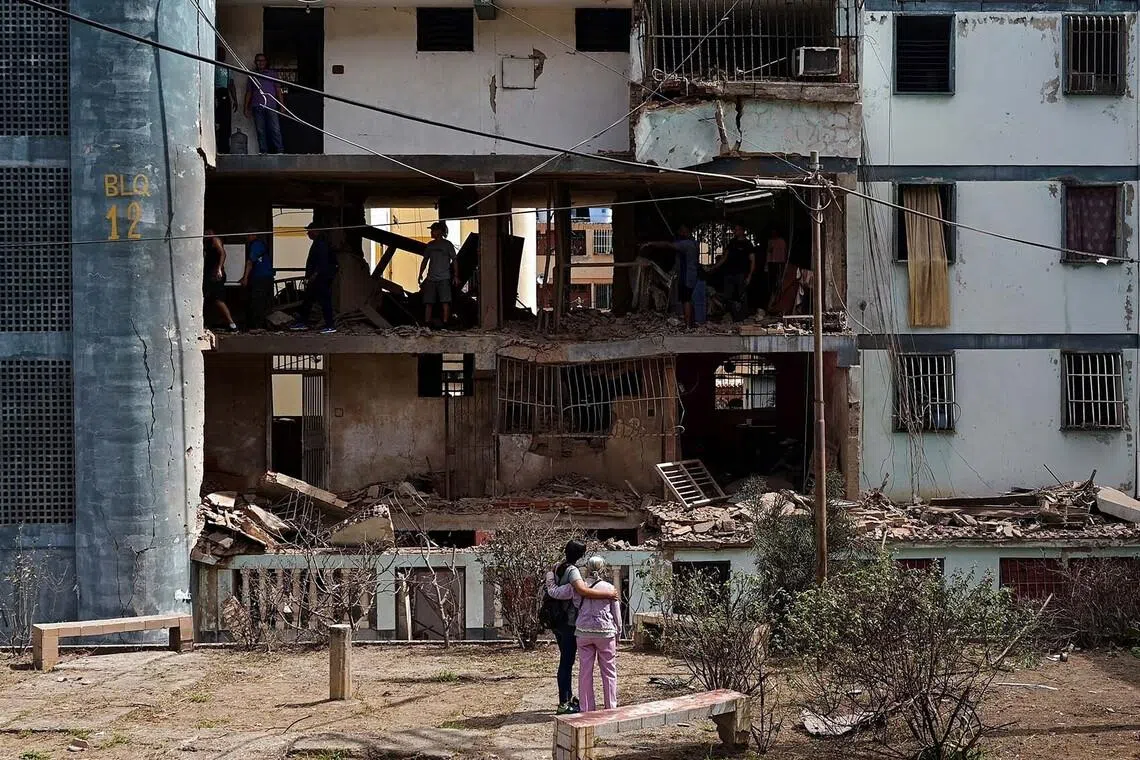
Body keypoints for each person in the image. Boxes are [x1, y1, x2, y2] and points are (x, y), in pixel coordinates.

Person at [546, 540, 620, 715]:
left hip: (575, 628)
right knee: (607, 670)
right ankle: (610, 707)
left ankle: (585, 707)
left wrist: (549, 578)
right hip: (588, 628)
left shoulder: (558, 567)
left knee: (582, 670)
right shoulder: (578, 575)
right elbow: (583, 591)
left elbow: (563, 594)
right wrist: (609, 596)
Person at [290, 222, 339, 334]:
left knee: (324, 301)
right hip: (318, 277)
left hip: (321, 278)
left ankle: (330, 325)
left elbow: (321, 263)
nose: (308, 233)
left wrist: (313, 276)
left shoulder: (321, 244)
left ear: (316, 231)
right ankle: (303, 322)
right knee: (308, 299)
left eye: (309, 231)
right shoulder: (318, 242)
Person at [711, 223, 756, 321]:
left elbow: (752, 260)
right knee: (728, 295)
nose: (735, 232)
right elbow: (724, 257)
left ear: (742, 231)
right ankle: (730, 315)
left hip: (741, 274)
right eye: (734, 230)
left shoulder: (748, 244)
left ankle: (742, 317)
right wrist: (714, 267)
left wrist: (749, 276)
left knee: (741, 296)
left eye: (737, 229)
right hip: (729, 274)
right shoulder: (732, 242)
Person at [418, 221, 459, 327]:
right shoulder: (430, 245)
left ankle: (445, 323)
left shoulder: (448, 245)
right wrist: (420, 274)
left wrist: (456, 276)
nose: (431, 232)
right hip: (431, 278)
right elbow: (425, 260)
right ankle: (427, 323)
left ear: (440, 231)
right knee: (428, 302)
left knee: (445, 301)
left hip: (444, 278)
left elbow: (454, 260)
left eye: (433, 230)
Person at [244, 53, 284, 154]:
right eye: (258, 60)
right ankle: (263, 152)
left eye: (262, 60)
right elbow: (249, 92)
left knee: (275, 129)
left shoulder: (272, 74)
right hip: (257, 105)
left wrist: (282, 104)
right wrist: (246, 107)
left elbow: (278, 90)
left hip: (271, 105)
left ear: (266, 62)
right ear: (255, 62)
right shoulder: (252, 75)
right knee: (260, 130)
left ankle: (280, 151)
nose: (261, 62)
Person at [203, 230, 237, 332]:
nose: (207, 234)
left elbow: (223, 254)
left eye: (209, 232)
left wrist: (219, 268)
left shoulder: (215, 240)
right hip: (209, 275)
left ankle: (232, 324)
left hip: (216, 275)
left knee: (218, 299)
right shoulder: (206, 242)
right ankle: (207, 323)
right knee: (208, 298)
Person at [240, 232, 274, 330]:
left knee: (257, 302)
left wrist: (245, 278)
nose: (247, 237)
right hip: (263, 276)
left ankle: (257, 326)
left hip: (260, 277)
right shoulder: (259, 245)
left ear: (254, 235)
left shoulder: (256, 245)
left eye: (248, 235)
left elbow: (250, 261)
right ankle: (258, 325)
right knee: (259, 301)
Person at [674, 224, 701, 327]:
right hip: (691, 275)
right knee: (689, 299)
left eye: (683, 231)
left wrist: (650, 244)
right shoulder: (694, 244)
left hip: (686, 276)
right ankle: (690, 323)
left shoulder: (686, 244)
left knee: (686, 300)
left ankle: (688, 325)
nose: (681, 233)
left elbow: (667, 245)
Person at [214, 44, 237, 153]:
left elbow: (231, 84)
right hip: (216, 92)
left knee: (226, 122)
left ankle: (225, 148)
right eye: (219, 53)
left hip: (225, 92)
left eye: (223, 54)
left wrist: (235, 99)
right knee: (217, 121)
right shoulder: (213, 65)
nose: (222, 56)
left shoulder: (227, 68)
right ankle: (216, 147)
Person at [766, 227, 788, 299]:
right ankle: (773, 294)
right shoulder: (771, 241)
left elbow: (785, 251)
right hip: (773, 262)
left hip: (779, 261)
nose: (773, 234)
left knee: (778, 278)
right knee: (773, 279)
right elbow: (769, 251)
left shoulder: (781, 241)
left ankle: (778, 293)